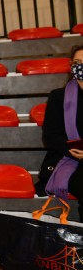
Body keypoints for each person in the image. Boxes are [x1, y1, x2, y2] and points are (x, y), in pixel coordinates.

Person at [36, 45, 83, 219]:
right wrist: (75, 151)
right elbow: (50, 135)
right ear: (71, 66)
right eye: (77, 63)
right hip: (70, 159)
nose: (81, 67)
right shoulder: (58, 96)